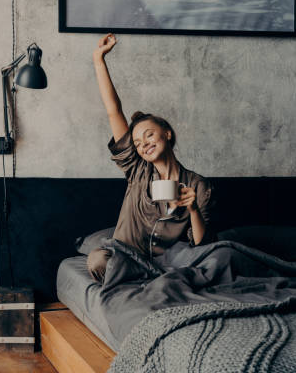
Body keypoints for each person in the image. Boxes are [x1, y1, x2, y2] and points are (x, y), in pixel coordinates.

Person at [87, 33, 216, 282]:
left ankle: (157, 276)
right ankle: (153, 277)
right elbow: (114, 111)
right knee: (98, 260)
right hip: (127, 255)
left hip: (169, 260)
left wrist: (193, 210)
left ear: (167, 133)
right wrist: (98, 60)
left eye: (149, 136)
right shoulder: (137, 170)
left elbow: (202, 244)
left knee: (217, 258)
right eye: (137, 143)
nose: (144, 145)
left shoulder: (199, 186)